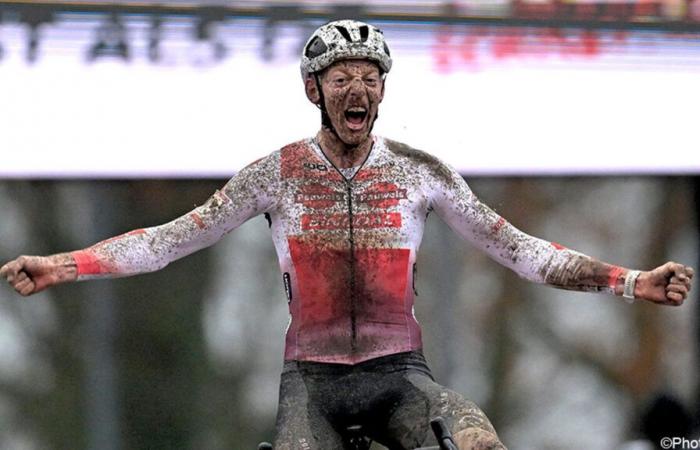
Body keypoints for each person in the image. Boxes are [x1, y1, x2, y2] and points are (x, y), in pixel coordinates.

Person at [0, 20, 694, 450]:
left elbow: (521, 250)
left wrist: (629, 282)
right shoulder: (274, 175)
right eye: (341, 78)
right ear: (314, 91)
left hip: (402, 377)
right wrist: (62, 266)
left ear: (382, 92)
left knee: (481, 443)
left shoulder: (422, 174)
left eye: (369, 77)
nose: (356, 89)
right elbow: (167, 240)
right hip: (313, 384)